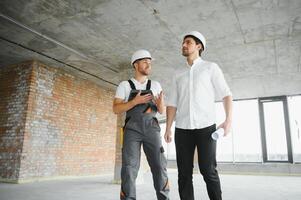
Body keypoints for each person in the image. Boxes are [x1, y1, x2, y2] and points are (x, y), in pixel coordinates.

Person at [164, 31, 233, 200]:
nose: (184, 45)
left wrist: (228, 121)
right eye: (183, 43)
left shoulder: (210, 67)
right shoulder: (177, 74)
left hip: (206, 128)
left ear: (199, 46)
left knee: (208, 171)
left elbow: (226, 94)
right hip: (182, 129)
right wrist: (167, 128)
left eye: (188, 42)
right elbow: (172, 103)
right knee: (184, 174)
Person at [113, 49, 169, 200]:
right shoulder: (125, 85)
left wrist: (161, 104)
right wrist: (134, 102)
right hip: (132, 130)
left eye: (150, 62)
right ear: (136, 65)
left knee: (159, 166)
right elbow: (116, 108)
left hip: (152, 128)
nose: (148, 65)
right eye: (145, 62)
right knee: (129, 168)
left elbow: (162, 111)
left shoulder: (156, 85)